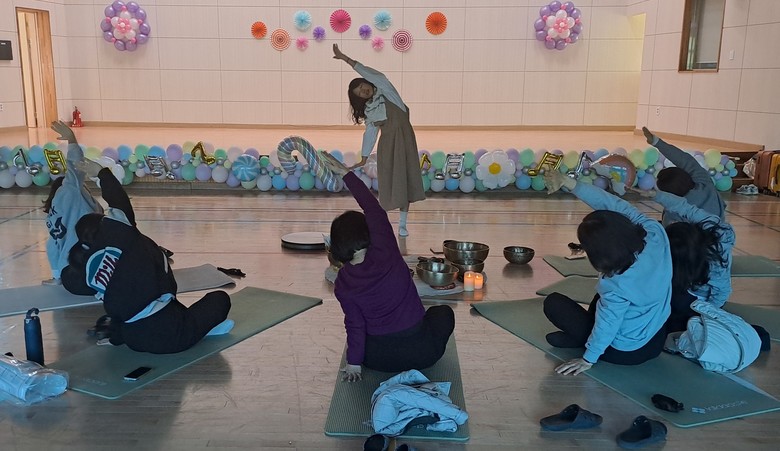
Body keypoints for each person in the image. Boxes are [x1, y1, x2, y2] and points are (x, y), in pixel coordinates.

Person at [66, 160, 233, 354]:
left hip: (133, 339)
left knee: (135, 302)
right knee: (219, 299)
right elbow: (119, 201)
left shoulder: (88, 267)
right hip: (172, 334)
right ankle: (198, 329)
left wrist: (116, 338)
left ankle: (189, 325)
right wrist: (101, 174)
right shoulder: (122, 236)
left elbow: (72, 281)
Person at [321, 151, 454, 382]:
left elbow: (354, 324)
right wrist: (346, 174)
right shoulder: (386, 251)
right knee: (442, 313)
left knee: (365, 330)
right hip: (422, 353)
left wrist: (354, 364)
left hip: (377, 359)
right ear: (368, 233)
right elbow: (373, 209)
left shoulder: (342, 283)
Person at [542, 171, 672, 375]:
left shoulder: (616, 283)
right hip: (656, 338)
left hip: (624, 352)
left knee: (554, 303)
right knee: (602, 301)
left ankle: (580, 340)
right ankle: (580, 338)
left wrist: (588, 359)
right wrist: (571, 184)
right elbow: (616, 205)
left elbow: (608, 324)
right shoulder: (655, 235)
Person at [332, 43, 425, 237]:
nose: (363, 91)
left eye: (362, 86)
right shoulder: (370, 110)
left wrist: (346, 59)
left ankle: (403, 223)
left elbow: (371, 74)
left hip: (406, 142)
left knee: (406, 181)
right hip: (388, 146)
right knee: (392, 183)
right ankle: (382, 223)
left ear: (366, 82)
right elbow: (371, 133)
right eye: (359, 93)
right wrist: (364, 158)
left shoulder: (386, 89)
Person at [630, 187, 734, 332]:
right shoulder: (716, 228)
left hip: (699, 300)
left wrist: (705, 317)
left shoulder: (714, 267)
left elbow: (721, 294)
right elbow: (684, 207)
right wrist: (656, 195)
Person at [42, 121, 104, 286]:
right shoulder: (70, 192)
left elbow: (52, 247)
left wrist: (56, 276)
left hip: (67, 273)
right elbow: (74, 169)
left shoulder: (54, 215)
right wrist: (72, 140)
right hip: (89, 267)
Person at [642, 126, 726, 226]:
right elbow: (685, 160)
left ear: (670, 193)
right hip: (720, 232)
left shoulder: (674, 212)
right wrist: (657, 142)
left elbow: (670, 232)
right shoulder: (705, 183)